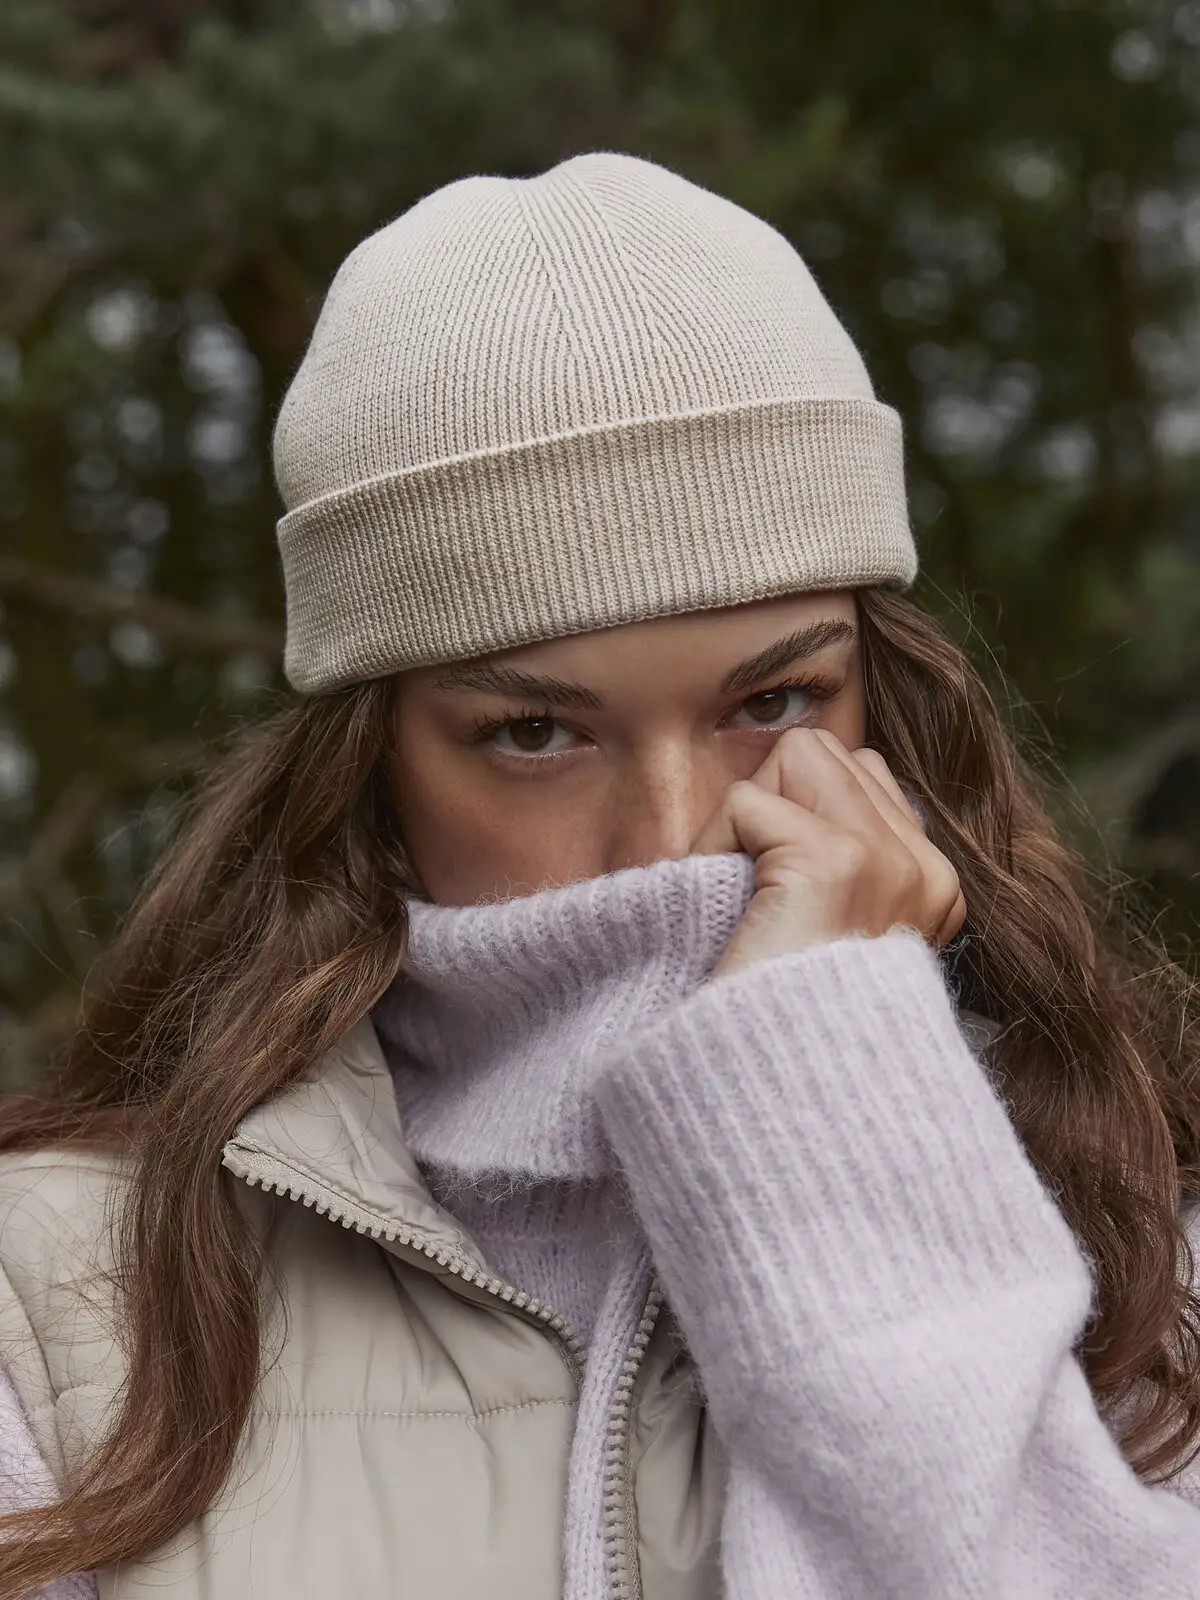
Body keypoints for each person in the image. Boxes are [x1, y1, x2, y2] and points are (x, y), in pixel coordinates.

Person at [1, 150, 1200, 1600]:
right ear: (368, 762)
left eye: (776, 703)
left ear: (888, 705)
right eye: (532, 732)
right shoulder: (49, 1299)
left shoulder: (1142, 1254)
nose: (678, 834)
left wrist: (833, 1118)